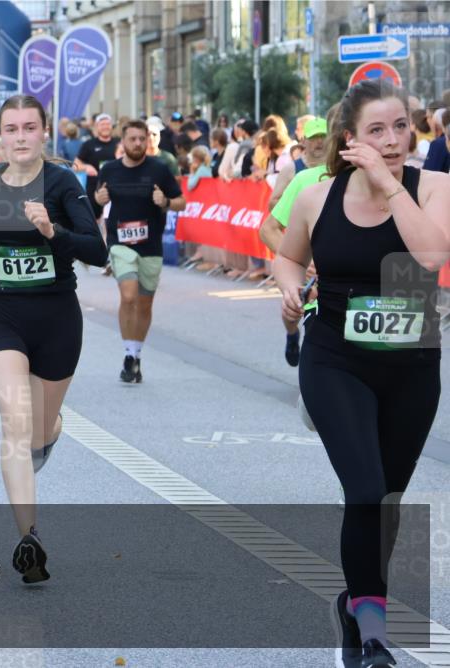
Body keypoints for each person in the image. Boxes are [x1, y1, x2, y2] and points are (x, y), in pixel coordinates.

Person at [274, 80, 450, 667]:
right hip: (335, 360)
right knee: (366, 491)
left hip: (412, 365)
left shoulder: (435, 187)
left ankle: (356, 599)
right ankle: (373, 632)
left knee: (388, 499)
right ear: (350, 140)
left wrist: (389, 185)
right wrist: (288, 288)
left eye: (401, 126)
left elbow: (428, 258)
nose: (392, 139)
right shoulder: (317, 197)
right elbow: (287, 253)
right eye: (376, 130)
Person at [0, 95, 107, 583]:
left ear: (43, 133)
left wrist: (50, 229)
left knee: (38, 430)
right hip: (3, 318)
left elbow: (96, 251)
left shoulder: (62, 183)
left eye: (29, 127)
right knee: (14, 425)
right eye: (11, 128)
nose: (20, 136)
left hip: (57, 319)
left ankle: (50, 434)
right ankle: (29, 539)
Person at [95, 120, 186, 383]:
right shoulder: (110, 170)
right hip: (120, 243)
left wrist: (166, 201)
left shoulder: (159, 170)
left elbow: (181, 201)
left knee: (145, 304)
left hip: (150, 246)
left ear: (147, 141)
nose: (137, 143)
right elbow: (96, 201)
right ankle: (127, 352)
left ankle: (135, 356)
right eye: (132, 139)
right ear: (122, 142)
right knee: (129, 295)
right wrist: (97, 200)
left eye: (141, 139)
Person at [260, 116, 329, 367]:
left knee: (318, 310)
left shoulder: (346, 174)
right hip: (297, 244)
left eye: (324, 137)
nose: (320, 143)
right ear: (305, 141)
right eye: (314, 138)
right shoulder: (294, 170)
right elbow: (273, 204)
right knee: (294, 304)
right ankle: (291, 333)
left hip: (323, 250)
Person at [74, 113, 118, 222]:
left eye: (107, 124)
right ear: (97, 127)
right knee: (95, 220)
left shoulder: (119, 143)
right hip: (95, 188)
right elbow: (75, 165)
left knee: (114, 220)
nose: (105, 127)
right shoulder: (89, 144)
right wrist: (86, 167)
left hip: (116, 187)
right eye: (102, 124)